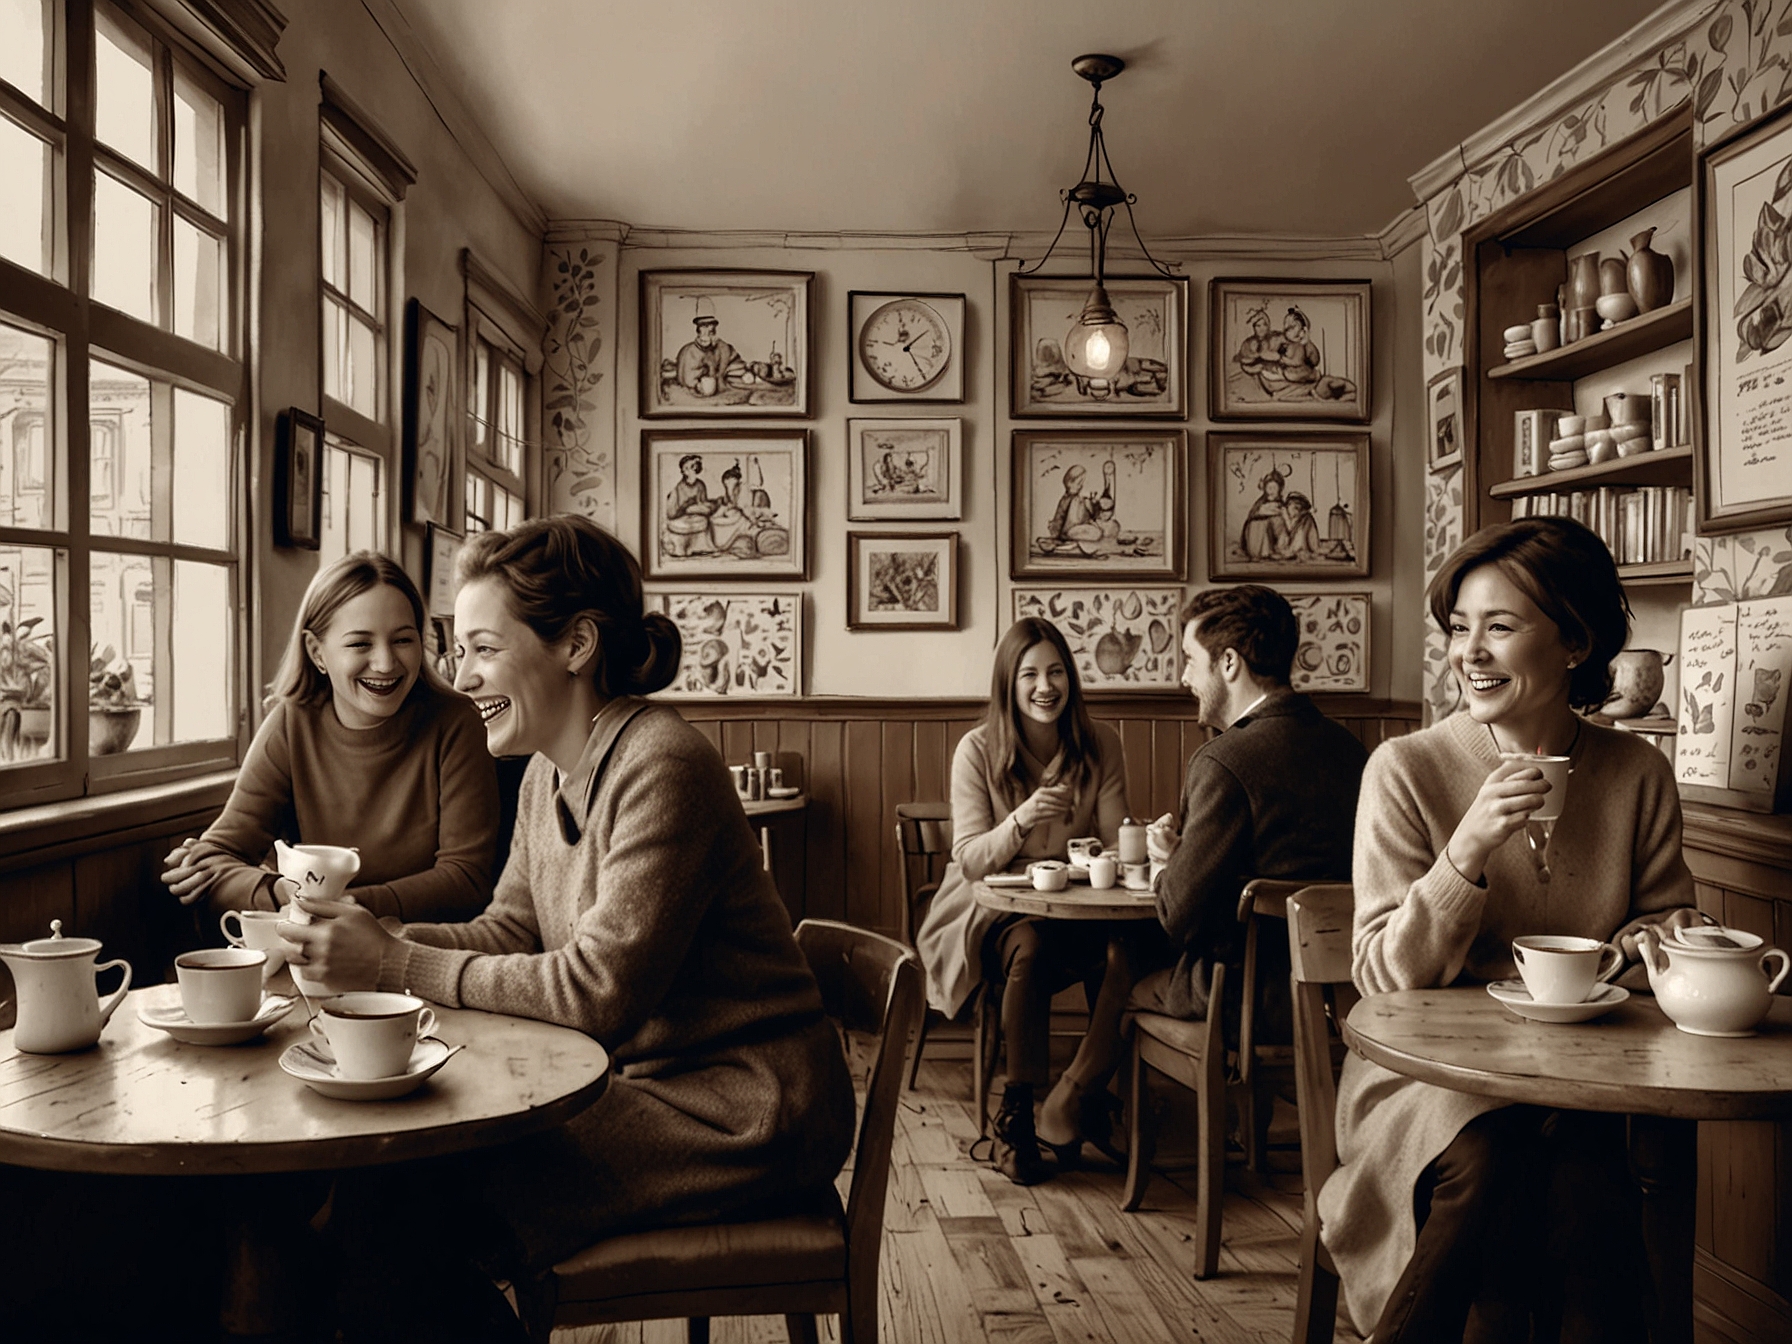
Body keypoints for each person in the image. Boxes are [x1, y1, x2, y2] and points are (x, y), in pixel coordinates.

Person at [282, 515, 855, 1341]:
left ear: (576, 644)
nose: (459, 674)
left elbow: (597, 991)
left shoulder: (663, 763)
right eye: (458, 648)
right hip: (651, 1087)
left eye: (481, 647)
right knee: (393, 1191)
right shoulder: (546, 771)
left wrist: (393, 963)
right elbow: (510, 929)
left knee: (416, 1194)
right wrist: (368, 930)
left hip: (743, 1111)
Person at [1318, 517, 1701, 1342]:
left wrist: (1649, 943)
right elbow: (1383, 977)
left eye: (1499, 626)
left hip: (1587, 1079)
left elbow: (1665, 921)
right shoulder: (1407, 770)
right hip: (1426, 1085)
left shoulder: (1637, 773)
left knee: (1582, 1180)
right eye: (1460, 628)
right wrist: (1465, 851)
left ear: (1573, 643)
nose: (1470, 652)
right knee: (1503, 1161)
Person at [160, 551, 498, 923]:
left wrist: (345, 906)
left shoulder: (458, 722)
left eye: (403, 640)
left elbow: (468, 879)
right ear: (316, 652)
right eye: (360, 644)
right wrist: (280, 891)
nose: (386, 663)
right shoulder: (291, 722)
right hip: (307, 957)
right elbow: (214, 858)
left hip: (419, 954)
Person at [915, 617, 1132, 1185]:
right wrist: (1024, 817)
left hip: (1077, 902)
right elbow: (969, 859)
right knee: (1030, 950)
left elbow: (1110, 841)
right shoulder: (977, 749)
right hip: (991, 910)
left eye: (1056, 671)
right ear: (1008, 685)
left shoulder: (1100, 743)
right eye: (1030, 674)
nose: (1045, 686)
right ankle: (1016, 1114)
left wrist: (1122, 849)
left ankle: (1082, 1093)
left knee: (1131, 946)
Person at [1138, 585, 1366, 1023]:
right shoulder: (1350, 749)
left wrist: (1170, 861)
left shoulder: (1223, 761)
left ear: (1228, 663)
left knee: (1122, 974)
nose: (1184, 678)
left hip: (1247, 1000)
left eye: (1189, 660)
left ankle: (1078, 1091)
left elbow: (1178, 918)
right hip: (1344, 997)